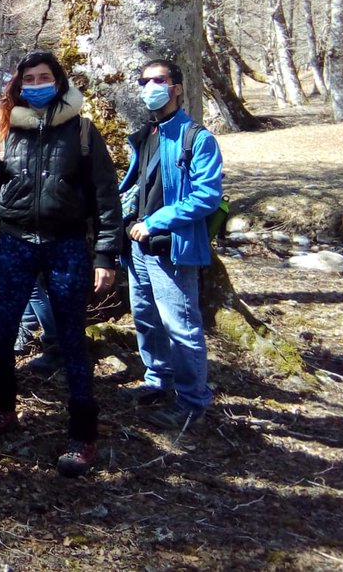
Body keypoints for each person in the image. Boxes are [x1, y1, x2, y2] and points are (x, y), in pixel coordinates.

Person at [0, 50, 123, 478]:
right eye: (29, 79)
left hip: (67, 247)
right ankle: (1, 411)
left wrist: (105, 254)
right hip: (14, 244)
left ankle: (82, 435)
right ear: (18, 85)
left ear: (59, 81)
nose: (36, 85)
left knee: (72, 340)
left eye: (44, 77)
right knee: (0, 335)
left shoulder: (84, 133)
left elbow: (106, 198)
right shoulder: (5, 130)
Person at [123, 58, 223, 432]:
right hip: (137, 246)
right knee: (145, 318)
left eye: (159, 80)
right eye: (144, 80)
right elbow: (137, 186)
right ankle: (156, 381)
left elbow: (206, 197)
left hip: (174, 249)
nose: (150, 86)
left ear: (176, 87)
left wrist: (154, 222)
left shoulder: (197, 138)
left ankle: (193, 403)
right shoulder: (147, 133)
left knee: (181, 327)